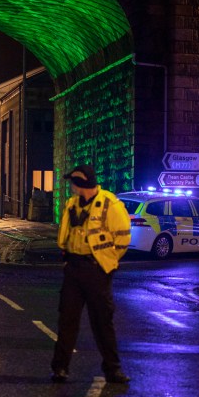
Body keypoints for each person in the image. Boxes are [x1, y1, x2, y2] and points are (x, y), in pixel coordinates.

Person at [51, 164, 132, 385]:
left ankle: (113, 370)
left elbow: (123, 237)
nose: (71, 187)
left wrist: (108, 261)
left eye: (72, 183)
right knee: (67, 319)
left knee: (102, 321)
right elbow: (66, 234)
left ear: (81, 183)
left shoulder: (109, 203)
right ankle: (60, 368)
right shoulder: (72, 204)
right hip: (74, 268)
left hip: (97, 270)